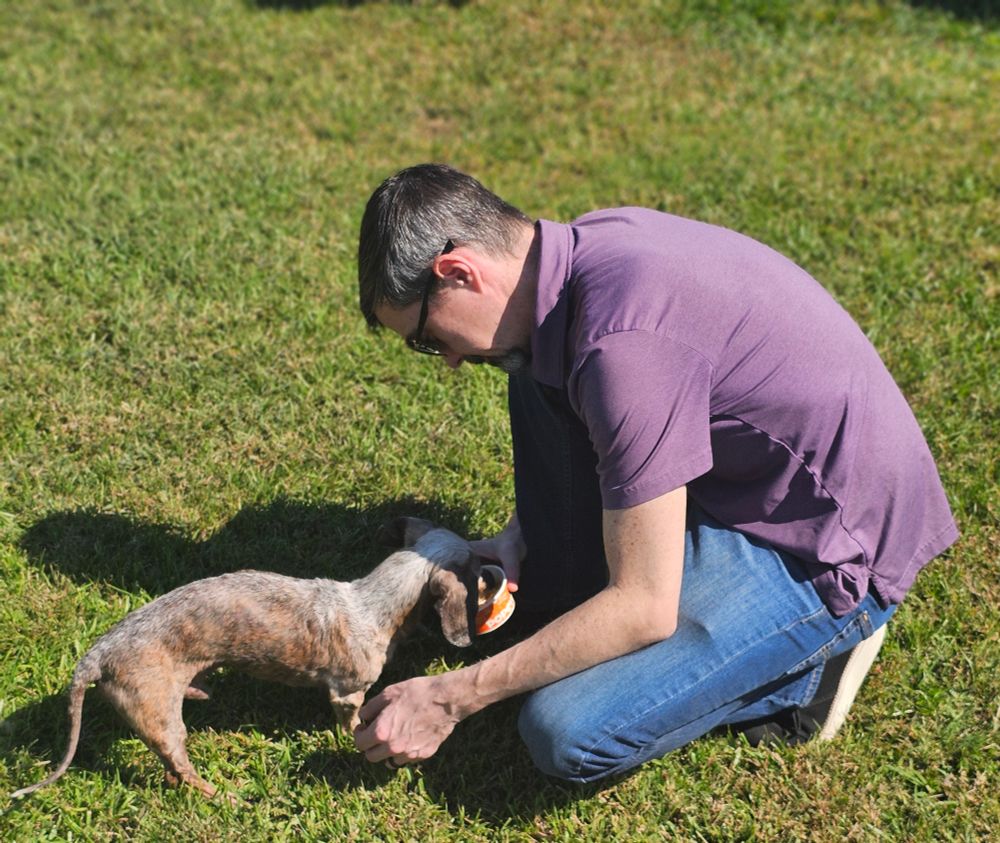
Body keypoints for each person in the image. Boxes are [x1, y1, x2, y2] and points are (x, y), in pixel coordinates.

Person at [352, 163, 958, 782]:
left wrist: (450, 697)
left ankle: (811, 671)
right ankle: (581, 573)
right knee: (529, 368)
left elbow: (644, 607)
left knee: (564, 730)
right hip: (754, 473)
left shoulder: (624, 350)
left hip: (826, 542)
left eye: (428, 339)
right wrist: (520, 532)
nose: (448, 360)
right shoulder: (575, 261)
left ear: (457, 273)